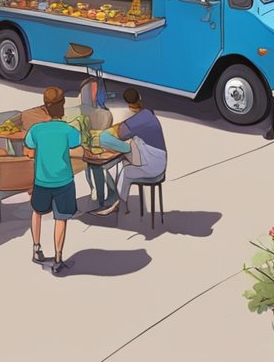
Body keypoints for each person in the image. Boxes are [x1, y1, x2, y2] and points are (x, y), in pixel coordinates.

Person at [25, 86, 81, 274]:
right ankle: (58, 258)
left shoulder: (36, 130)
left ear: (45, 106)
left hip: (41, 180)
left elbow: (28, 151)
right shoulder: (69, 130)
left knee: (37, 212)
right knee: (61, 218)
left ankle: (36, 248)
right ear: (62, 105)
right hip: (63, 180)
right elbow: (76, 145)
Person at [92, 88, 168, 216]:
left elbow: (117, 133)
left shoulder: (138, 120)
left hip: (152, 166)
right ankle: (120, 204)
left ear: (128, 105)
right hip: (157, 160)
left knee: (122, 169)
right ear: (140, 98)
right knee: (120, 164)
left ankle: (117, 204)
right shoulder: (148, 114)